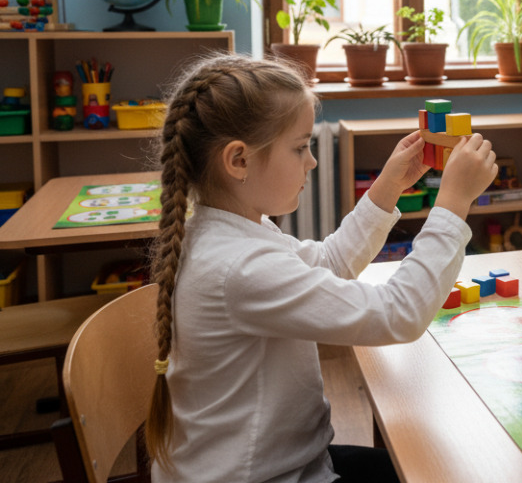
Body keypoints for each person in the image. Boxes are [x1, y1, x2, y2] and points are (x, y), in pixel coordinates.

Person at [144, 54, 497, 483]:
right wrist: (453, 205)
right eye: (299, 147)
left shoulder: (232, 233)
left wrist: (389, 187)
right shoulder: (238, 266)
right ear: (238, 160)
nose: (310, 162)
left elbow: (329, 263)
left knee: (436, 465)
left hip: (288, 462)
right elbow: (397, 315)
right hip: (267, 476)